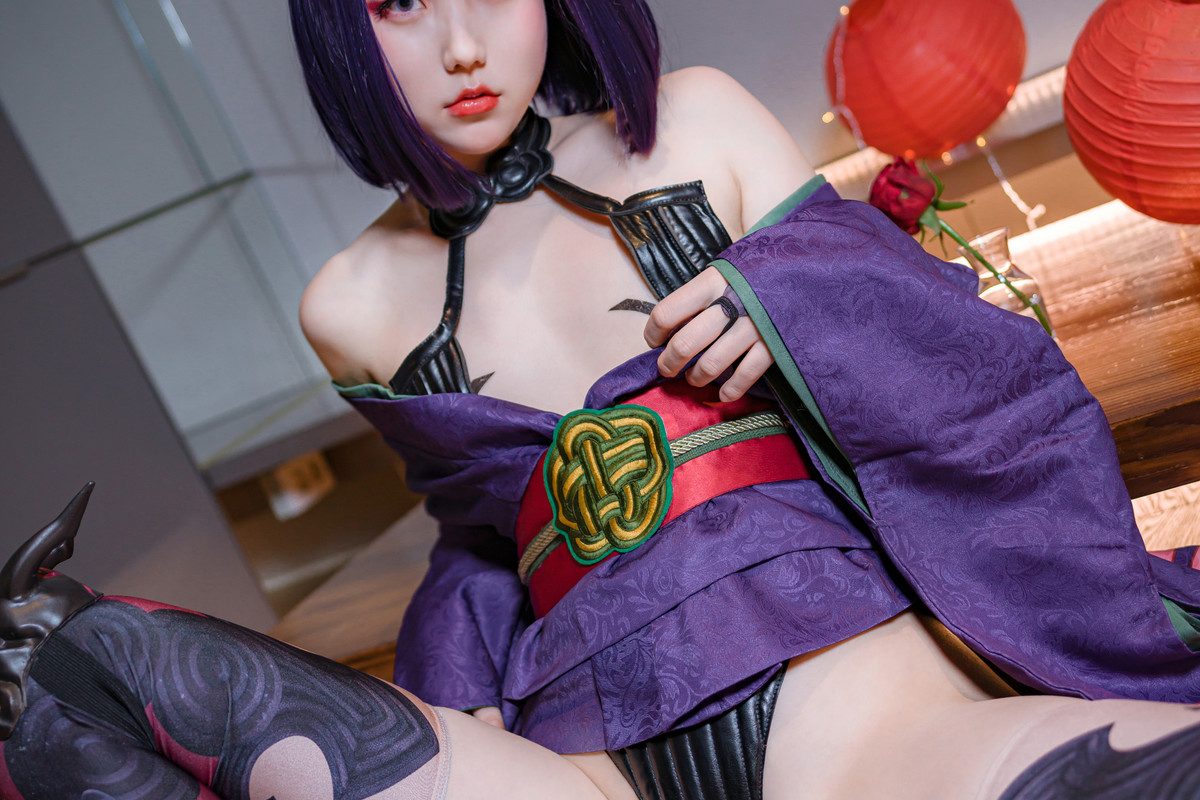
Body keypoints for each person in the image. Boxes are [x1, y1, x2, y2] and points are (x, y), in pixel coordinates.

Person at [6, 1, 1200, 799]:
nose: (463, 47)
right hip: (580, 761)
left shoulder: (698, 124)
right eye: (400, 1)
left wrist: (803, 308)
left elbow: (968, 377)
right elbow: (479, 538)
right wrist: (456, 685)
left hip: (854, 715)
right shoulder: (350, 303)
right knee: (84, 659)